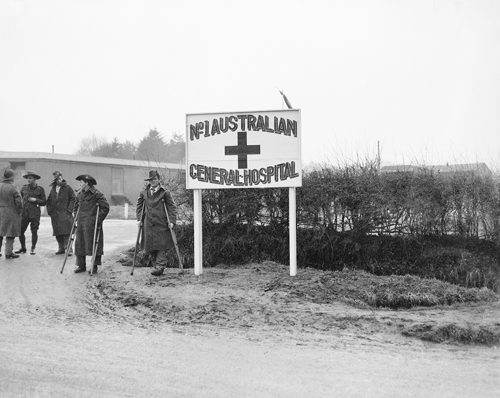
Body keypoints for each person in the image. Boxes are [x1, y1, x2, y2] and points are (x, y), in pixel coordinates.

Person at [136, 170, 177, 276]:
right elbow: (139, 207)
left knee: (161, 246)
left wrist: (172, 221)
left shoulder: (165, 193)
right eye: (151, 180)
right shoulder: (144, 193)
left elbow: (171, 207)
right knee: (150, 247)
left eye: (154, 179)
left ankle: (160, 266)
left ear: (158, 179)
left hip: (161, 223)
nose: (153, 181)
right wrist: (139, 219)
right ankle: (157, 266)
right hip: (148, 224)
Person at [73, 174, 109, 274]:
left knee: (94, 243)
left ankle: (94, 266)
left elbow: (105, 207)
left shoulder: (97, 194)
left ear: (87, 183)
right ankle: (81, 265)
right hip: (81, 223)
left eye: (81, 182)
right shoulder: (80, 194)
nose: (80, 184)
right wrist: (76, 216)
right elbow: (75, 206)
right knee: (80, 244)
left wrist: (97, 220)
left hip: (92, 224)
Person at [15, 170, 46, 255]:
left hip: (35, 213)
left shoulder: (40, 189)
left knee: (34, 231)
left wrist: (36, 200)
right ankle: (23, 247)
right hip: (25, 213)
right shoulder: (24, 188)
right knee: (20, 231)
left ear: (35, 179)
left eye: (31, 178)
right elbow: (19, 199)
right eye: (28, 178)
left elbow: (44, 202)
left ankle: (33, 248)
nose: (29, 180)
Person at [46, 171, 76, 255]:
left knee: (67, 232)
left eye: (60, 178)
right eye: (58, 179)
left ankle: (69, 249)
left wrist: (69, 209)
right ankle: (61, 248)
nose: (60, 180)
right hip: (55, 215)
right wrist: (50, 211)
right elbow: (48, 200)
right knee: (58, 232)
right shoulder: (53, 189)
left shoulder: (68, 188)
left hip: (65, 213)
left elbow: (73, 199)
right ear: (55, 180)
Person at [0, 168, 23, 259]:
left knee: (0, 232)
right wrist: (19, 211)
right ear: (12, 178)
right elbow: (19, 201)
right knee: (10, 232)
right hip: (11, 212)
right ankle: (8, 252)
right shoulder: (13, 187)